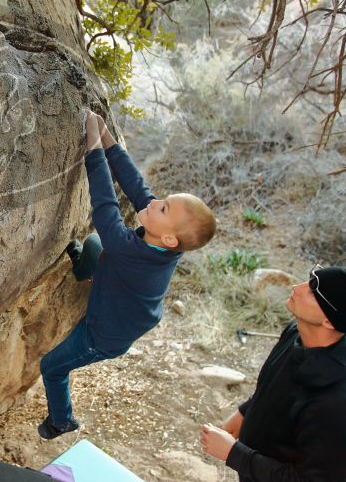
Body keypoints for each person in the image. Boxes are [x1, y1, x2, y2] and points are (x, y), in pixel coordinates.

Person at [37, 110, 217, 439]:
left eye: (164, 207)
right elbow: (137, 186)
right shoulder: (164, 241)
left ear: (169, 239)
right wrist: (108, 139)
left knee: (52, 367)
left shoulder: (128, 251)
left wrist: (92, 146)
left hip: (103, 336)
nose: (156, 202)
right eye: (164, 200)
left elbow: (105, 204)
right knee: (94, 246)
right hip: (124, 297)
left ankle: (61, 420)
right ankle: (85, 272)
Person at [201, 265, 346, 481]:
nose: (296, 287)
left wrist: (234, 454)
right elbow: (273, 384)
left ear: (329, 321)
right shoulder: (296, 332)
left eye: (312, 291)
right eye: (309, 280)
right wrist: (245, 412)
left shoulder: (337, 403)